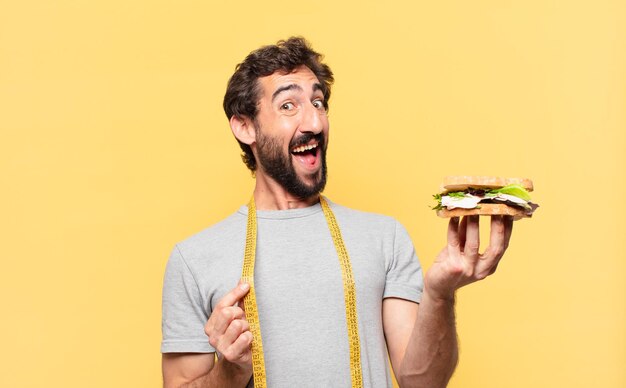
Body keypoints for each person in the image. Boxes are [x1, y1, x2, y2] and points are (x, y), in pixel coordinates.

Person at [161, 37, 513, 388]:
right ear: (245, 127)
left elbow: (422, 382)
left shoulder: (384, 238)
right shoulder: (193, 259)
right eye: (288, 106)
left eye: (318, 102)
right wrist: (230, 372)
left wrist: (439, 294)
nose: (314, 121)